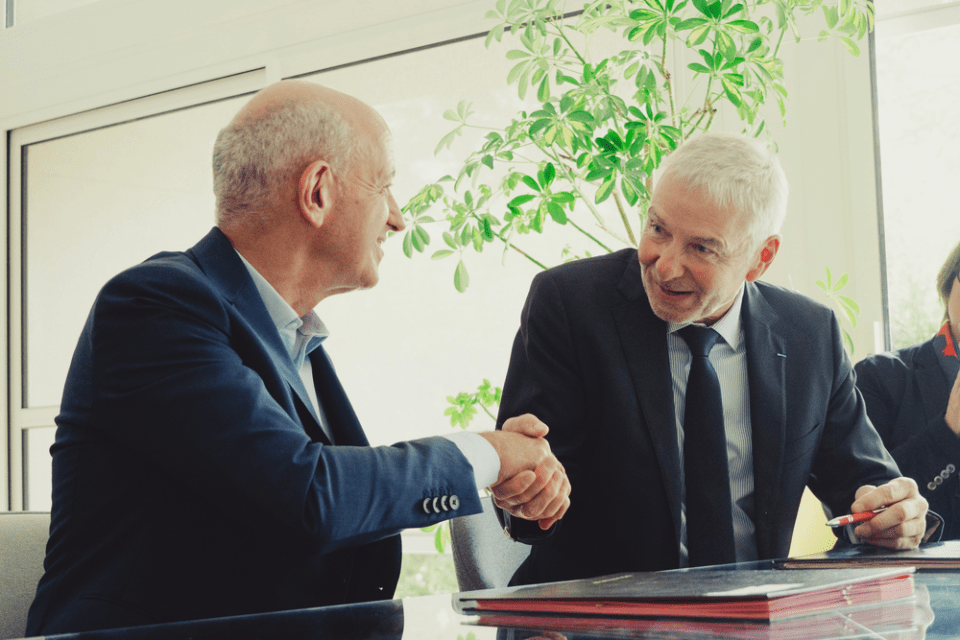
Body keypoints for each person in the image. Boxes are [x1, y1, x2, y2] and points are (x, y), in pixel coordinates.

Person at [26, 80, 570, 635]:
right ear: (317, 192)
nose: (398, 218)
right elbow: (309, 497)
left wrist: (497, 465)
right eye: (384, 187)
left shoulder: (293, 338)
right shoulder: (153, 307)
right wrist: (487, 454)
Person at [493, 132, 933, 587]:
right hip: (599, 616)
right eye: (658, 228)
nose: (664, 265)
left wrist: (893, 516)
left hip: (756, 617)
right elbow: (530, 498)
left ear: (760, 259)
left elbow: (867, 489)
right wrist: (529, 493)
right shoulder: (569, 305)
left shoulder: (809, 335)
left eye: (701, 248)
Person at [855, 240, 960, 540]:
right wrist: (950, 428)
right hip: (918, 577)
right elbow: (864, 507)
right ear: (947, 286)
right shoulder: (878, 376)